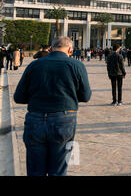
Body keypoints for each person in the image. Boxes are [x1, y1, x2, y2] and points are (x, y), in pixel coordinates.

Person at [13, 36, 91, 176]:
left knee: (35, 170)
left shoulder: (35, 65)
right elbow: (86, 96)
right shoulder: (76, 65)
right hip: (64, 118)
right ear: (70, 50)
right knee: (59, 169)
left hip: (35, 118)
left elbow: (18, 97)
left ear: (51, 48)